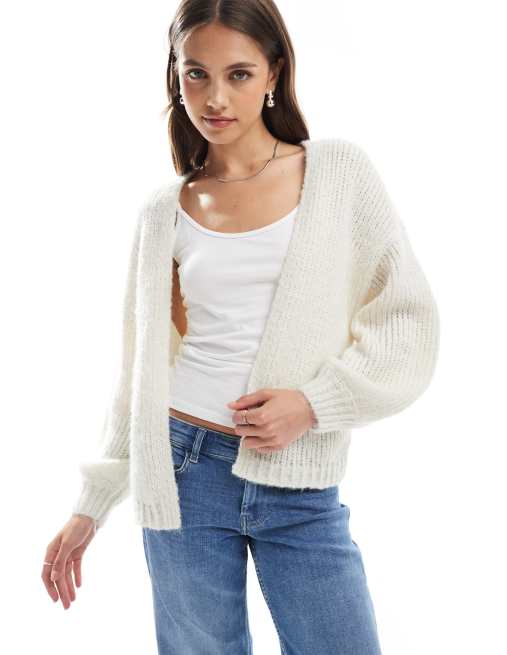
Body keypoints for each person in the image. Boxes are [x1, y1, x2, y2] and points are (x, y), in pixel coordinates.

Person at [42, 1, 440, 653]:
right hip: (181, 469)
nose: (215, 97)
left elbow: (406, 318)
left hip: (299, 480)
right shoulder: (165, 209)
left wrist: (315, 403)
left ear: (273, 73)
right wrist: (92, 503)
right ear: (176, 76)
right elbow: (140, 370)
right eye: (196, 73)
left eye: (239, 74)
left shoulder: (338, 172)